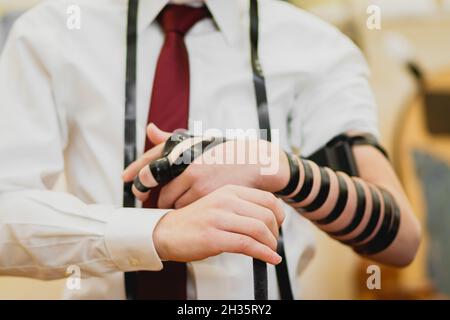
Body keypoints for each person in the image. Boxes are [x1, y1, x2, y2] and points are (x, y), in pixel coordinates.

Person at [0, 0, 420, 299]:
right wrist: (156, 233)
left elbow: (400, 240)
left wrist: (276, 168)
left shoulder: (317, 47)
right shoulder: (49, 33)